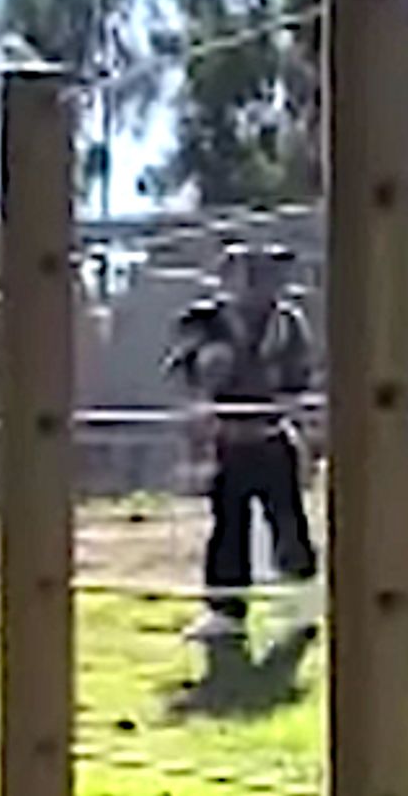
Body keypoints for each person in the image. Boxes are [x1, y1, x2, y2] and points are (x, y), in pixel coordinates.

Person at [164, 243, 319, 642]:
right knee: (228, 526)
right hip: (227, 444)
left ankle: (301, 606)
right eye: (252, 275)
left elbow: (299, 381)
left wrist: (287, 404)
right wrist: (205, 375)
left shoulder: (287, 323)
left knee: (288, 523)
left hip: (272, 439)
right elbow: (182, 369)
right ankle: (226, 611)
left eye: (269, 276)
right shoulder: (205, 321)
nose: (261, 286)